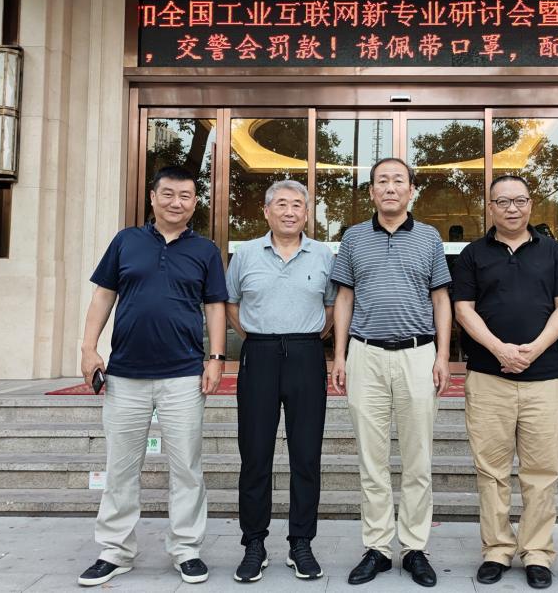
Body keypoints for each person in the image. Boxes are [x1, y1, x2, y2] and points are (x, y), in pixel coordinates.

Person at [77, 165, 227, 587]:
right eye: (168, 194)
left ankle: (186, 549)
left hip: (183, 375)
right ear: (152, 197)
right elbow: (103, 295)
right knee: (121, 467)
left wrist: (216, 357)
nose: (176, 202)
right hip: (126, 374)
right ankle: (115, 551)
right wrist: (88, 348)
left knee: (187, 468)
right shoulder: (126, 241)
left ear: (194, 202)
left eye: (185, 196)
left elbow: (215, 305)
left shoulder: (205, 251)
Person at [330, 157, 452, 588]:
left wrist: (442, 355)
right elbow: (344, 298)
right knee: (372, 459)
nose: (390, 187)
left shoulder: (430, 237)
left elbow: (441, 299)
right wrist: (339, 355)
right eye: (382, 181)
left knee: (418, 459)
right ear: (371, 191)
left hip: (418, 355)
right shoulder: (353, 237)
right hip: (365, 355)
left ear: (411, 190)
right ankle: (378, 547)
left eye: (398, 181)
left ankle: (414, 547)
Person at [451, 175, 558, 589]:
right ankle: (497, 549)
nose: (512, 208)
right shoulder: (473, 254)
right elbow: (464, 310)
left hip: (543, 378)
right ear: (490, 207)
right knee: (491, 471)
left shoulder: (553, 251)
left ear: (530, 204)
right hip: (489, 378)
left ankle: (537, 552)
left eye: (519, 200)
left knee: (542, 470)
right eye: (502, 202)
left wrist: (534, 349)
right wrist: (500, 349)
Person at [225, 180, 336, 582]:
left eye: (297, 205)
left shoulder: (322, 255)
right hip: (260, 354)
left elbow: (331, 308)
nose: (290, 212)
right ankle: (254, 543)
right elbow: (231, 304)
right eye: (282, 204)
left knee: (306, 455)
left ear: (307, 213)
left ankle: (301, 543)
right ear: (266, 211)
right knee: (255, 454)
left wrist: (306, 339)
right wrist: (259, 337)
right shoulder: (245, 254)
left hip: (307, 354)